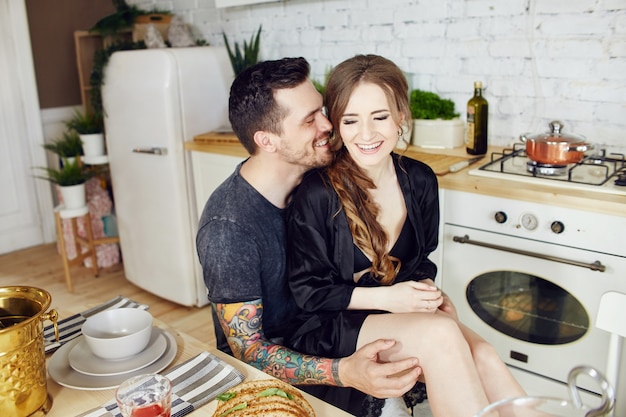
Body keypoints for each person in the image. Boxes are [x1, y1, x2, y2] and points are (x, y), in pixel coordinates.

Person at [285, 54, 526, 417]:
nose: (366, 135)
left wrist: (427, 293)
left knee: (486, 355)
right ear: (336, 124)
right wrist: (392, 297)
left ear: (401, 116)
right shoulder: (317, 194)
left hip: (395, 310)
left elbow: (420, 260)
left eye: (379, 117)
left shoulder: (421, 180)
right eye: (351, 120)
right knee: (444, 337)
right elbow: (308, 293)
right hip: (331, 324)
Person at [196, 57, 422, 416]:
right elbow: (248, 351)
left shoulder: (321, 183)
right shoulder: (229, 228)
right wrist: (345, 372)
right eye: (309, 119)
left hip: (340, 339)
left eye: (323, 110)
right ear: (266, 140)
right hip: (278, 388)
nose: (328, 125)